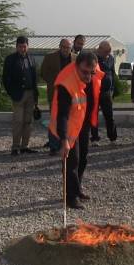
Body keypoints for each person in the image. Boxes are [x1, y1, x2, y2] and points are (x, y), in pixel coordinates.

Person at [49, 51, 104, 210]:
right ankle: (70, 197)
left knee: (83, 158)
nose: (89, 76)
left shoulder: (90, 70)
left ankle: (77, 188)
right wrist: (64, 140)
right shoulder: (66, 84)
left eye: (91, 72)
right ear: (76, 66)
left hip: (82, 121)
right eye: (85, 72)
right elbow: (62, 115)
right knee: (72, 161)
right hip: (68, 127)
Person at [3, 36, 39, 155]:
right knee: (18, 121)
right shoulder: (10, 59)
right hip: (18, 95)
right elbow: (5, 78)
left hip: (30, 94)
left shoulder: (31, 58)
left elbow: (34, 77)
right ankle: (15, 147)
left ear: (28, 46)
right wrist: (11, 93)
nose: (22, 49)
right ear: (16, 47)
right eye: (20, 46)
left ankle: (25, 146)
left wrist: (35, 94)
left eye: (24, 46)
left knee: (28, 121)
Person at [90, 40, 118, 143]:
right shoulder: (93, 59)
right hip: (95, 91)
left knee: (109, 116)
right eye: (106, 51)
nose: (108, 53)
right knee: (94, 116)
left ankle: (113, 137)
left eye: (109, 51)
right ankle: (95, 138)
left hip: (107, 92)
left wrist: (112, 88)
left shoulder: (111, 58)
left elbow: (112, 73)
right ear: (100, 49)